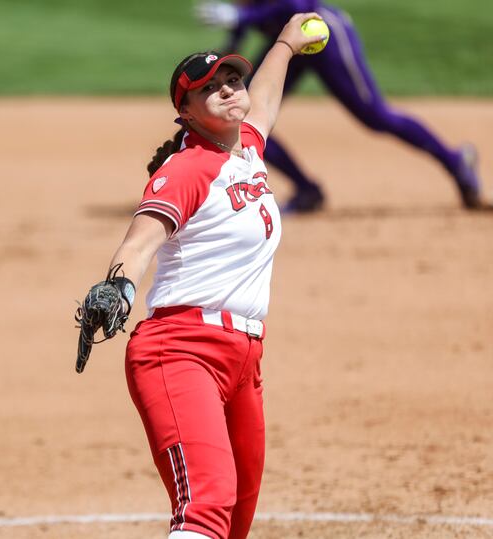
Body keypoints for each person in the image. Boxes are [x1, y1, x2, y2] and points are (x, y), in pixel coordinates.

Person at [73, 13, 327, 539]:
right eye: (210, 88)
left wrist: (284, 42)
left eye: (232, 80)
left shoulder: (248, 148)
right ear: (185, 111)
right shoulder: (187, 168)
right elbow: (141, 240)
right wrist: (119, 284)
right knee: (205, 508)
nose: (229, 90)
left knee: (235, 521)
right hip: (181, 351)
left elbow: (267, 96)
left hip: (242, 361)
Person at [195, 0, 485, 212]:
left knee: (374, 115)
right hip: (284, 43)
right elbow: (240, 23)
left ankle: (456, 160)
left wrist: (241, 16)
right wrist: (227, 48)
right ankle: (307, 191)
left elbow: (298, 3)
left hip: (323, 33)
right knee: (245, 119)